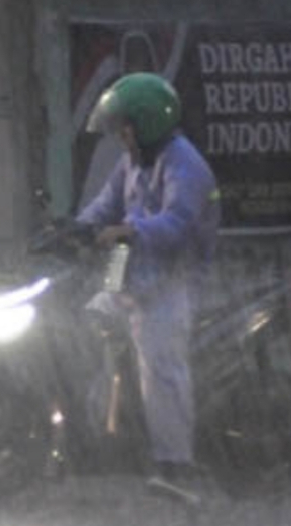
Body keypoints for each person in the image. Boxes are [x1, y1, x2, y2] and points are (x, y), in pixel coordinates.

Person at [75, 72, 221, 504]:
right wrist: (72, 229)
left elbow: (176, 224)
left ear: (145, 124)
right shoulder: (133, 162)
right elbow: (104, 204)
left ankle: (175, 466)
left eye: (124, 129)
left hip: (172, 282)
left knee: (161, 368)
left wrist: (130, 230)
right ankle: (103, 425)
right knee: (83, 321)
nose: (121, 138)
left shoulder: (185, 164)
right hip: (130, 273)